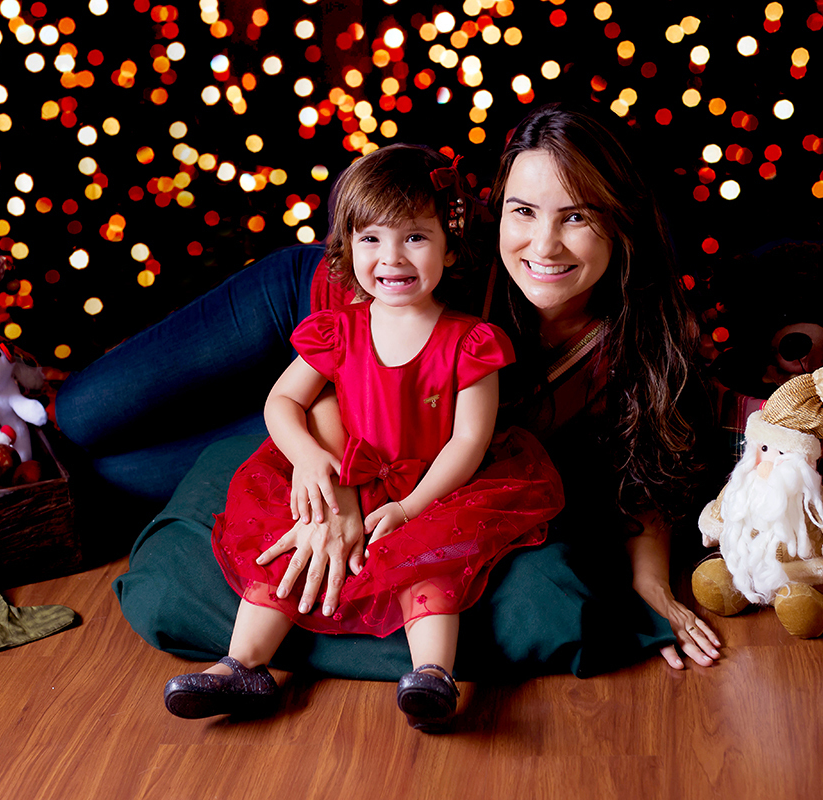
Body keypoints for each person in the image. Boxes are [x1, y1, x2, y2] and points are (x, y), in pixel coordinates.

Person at [56, 102, 720, 680]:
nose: (542, 243)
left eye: (577, 217)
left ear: (623, 220)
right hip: (308, 314)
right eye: (523, 211)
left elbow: (643, 468)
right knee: (81, 416)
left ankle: (31, 484)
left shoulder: (646, 336)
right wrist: (337, 494)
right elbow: (343, 359)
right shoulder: (443, 257)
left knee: (107, 478)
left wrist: (649, 583)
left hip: (387, 422)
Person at [160, 144, 562, 729]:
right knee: (288, 547)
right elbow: (282, 400)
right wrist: (308, 457)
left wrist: (411, 506)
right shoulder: (337, 329)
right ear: (347, 247)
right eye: (371, 239)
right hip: (348, 471)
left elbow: (468, 444)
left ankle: (431, 676)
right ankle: (241, 665)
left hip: (432, 486)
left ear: (449, 247)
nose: (391, 258)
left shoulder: (471, 341)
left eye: (415, 238)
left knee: (429, 562)